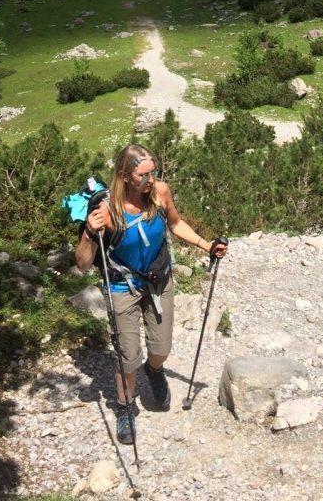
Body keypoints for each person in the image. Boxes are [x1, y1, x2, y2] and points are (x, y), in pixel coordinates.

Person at [75, 143, 228, 445]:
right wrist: (90, 233)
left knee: (162, 346)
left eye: (153, 173)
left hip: (159, 279)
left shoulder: (160, 193)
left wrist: (206, 245)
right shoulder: (106, 212)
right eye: (143, 175)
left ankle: (154, 369)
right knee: (127, 357)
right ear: (125, 176)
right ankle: (124, 407)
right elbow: (82, 264)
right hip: (123, 287)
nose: (150, 180)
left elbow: (175, 223)